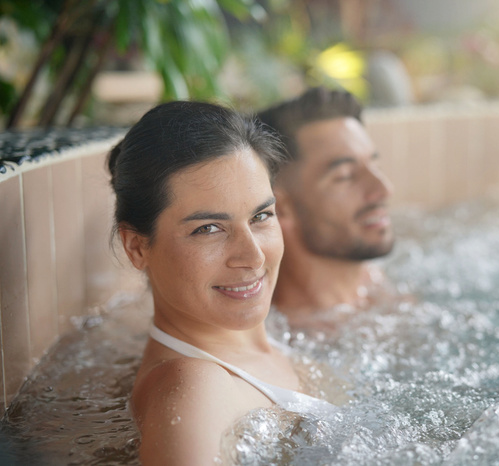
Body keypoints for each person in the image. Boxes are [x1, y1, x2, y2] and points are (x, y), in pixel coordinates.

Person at [108, 101, 335, 465]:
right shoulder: (195, 389)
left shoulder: (252, 347)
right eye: (208, 229)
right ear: (137, 247)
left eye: (261, 216)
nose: (253, 256)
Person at [257, 87, 396, 328]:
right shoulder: (285, 343)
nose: (384, 189)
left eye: (375, 165)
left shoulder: (381, 290)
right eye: (345, 175)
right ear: (280, 206)